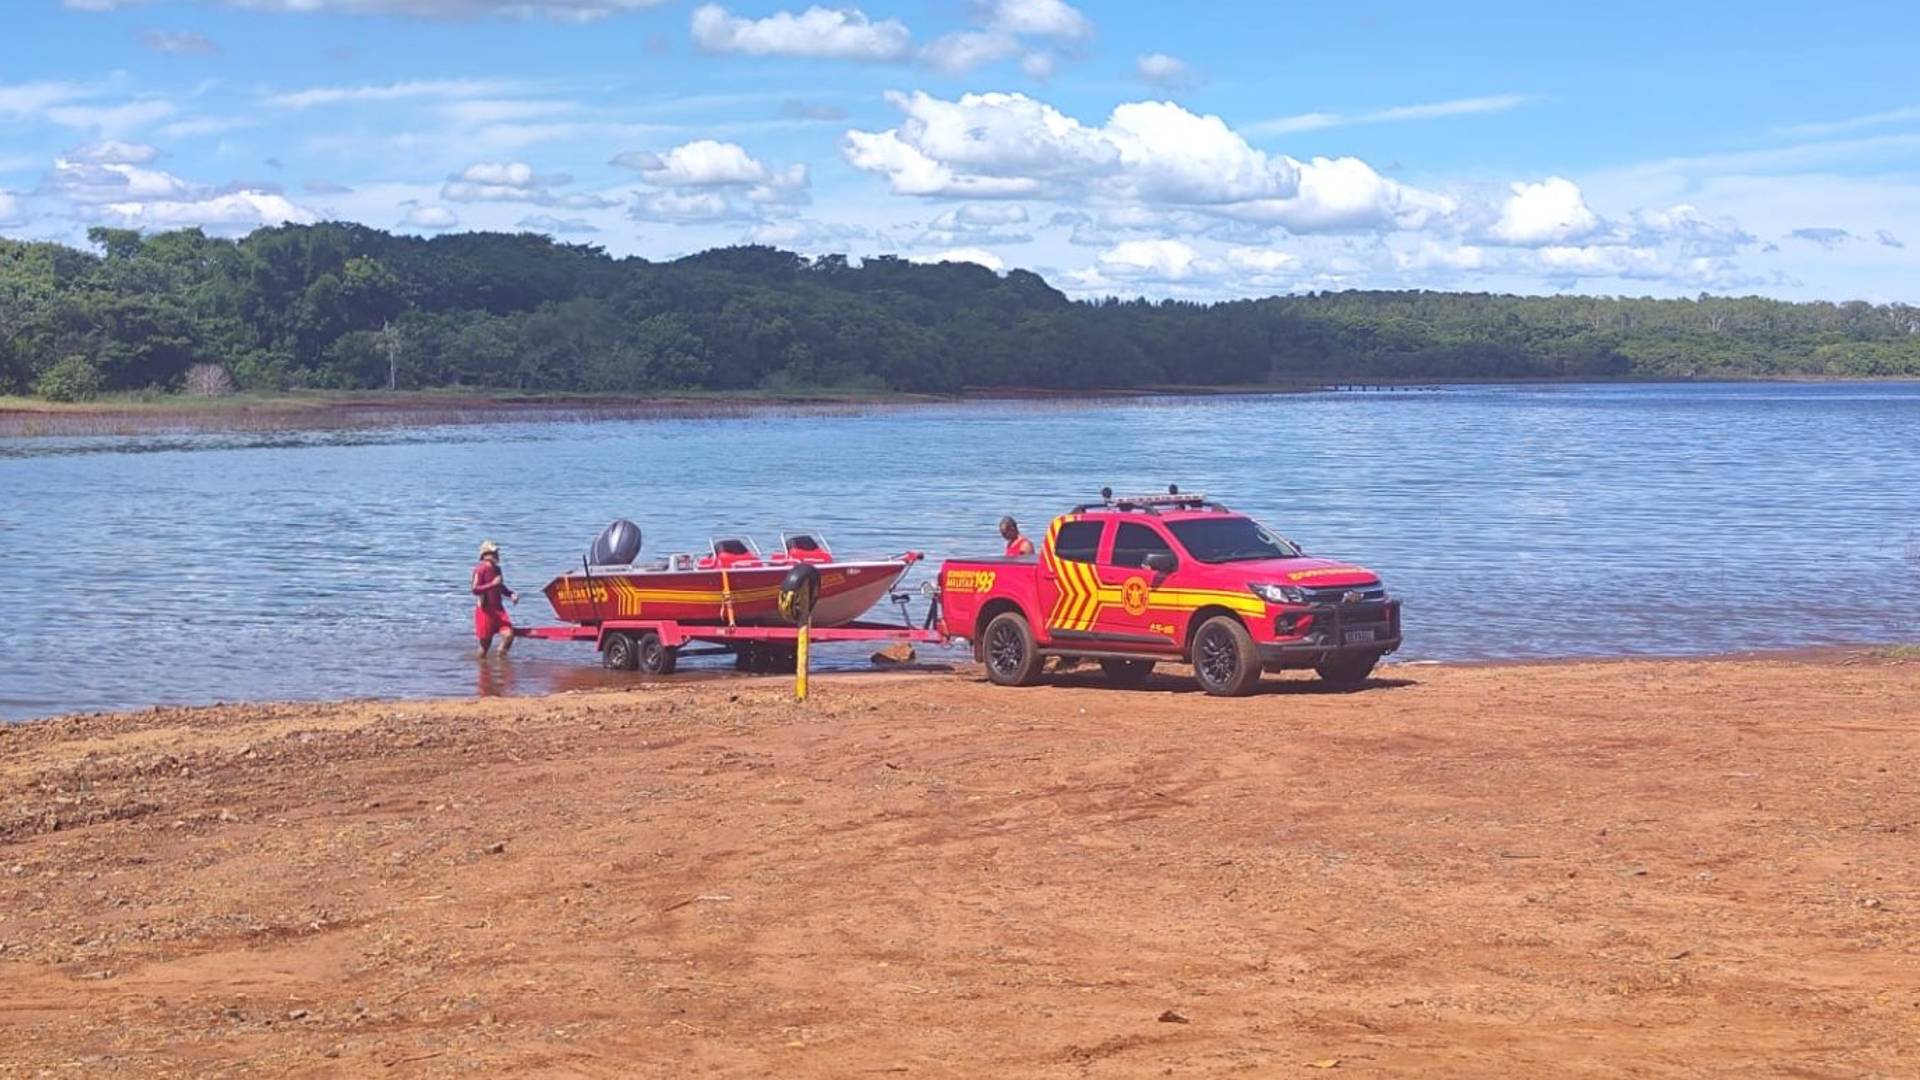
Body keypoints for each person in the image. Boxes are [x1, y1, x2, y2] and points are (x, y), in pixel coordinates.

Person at [471, 540, 519, 657]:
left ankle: (500, 659)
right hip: (485, 610)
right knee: (485, 645)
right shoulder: (480, 569)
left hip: (498, 609)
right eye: (494, 553)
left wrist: (510, 594)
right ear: (485, 555)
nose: (497, 555)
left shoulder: (497, 569)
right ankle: (483, 667)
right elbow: (475, 589)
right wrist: (492, 584)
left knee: (509, 635)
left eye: (497, 553)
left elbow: (500, 586)